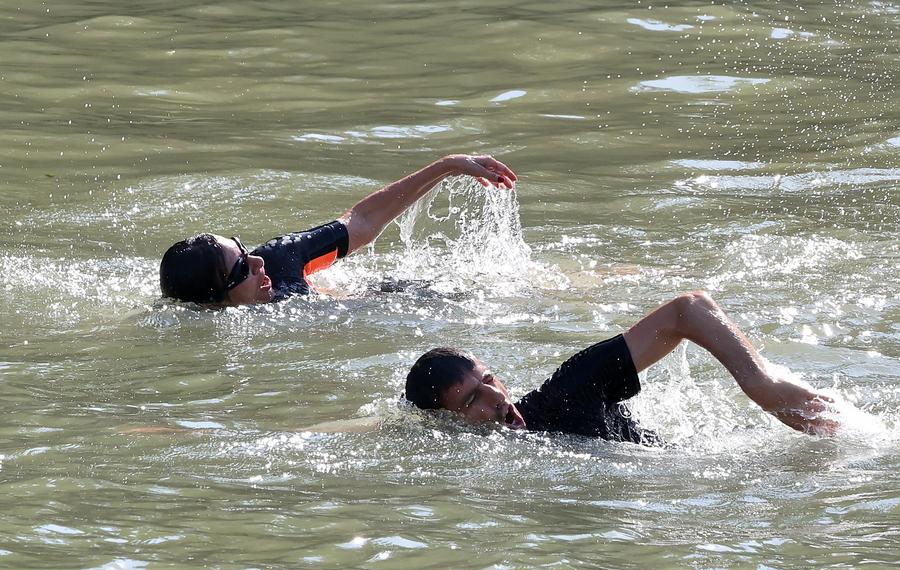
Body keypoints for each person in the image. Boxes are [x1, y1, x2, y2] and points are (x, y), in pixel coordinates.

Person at [404, 291, 839, 442]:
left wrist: (761, 382)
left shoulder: (566, 393)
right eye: (472, 399)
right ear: (446, 421)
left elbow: (687, 310)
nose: (497, 397)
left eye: (489, 379)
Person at [159, 154, 517, 305]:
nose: (257, 264)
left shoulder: (279, 258)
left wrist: (447, 166)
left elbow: (362, 221)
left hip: (396, 294)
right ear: (211, 300)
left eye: (244, 251)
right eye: (241, 269)